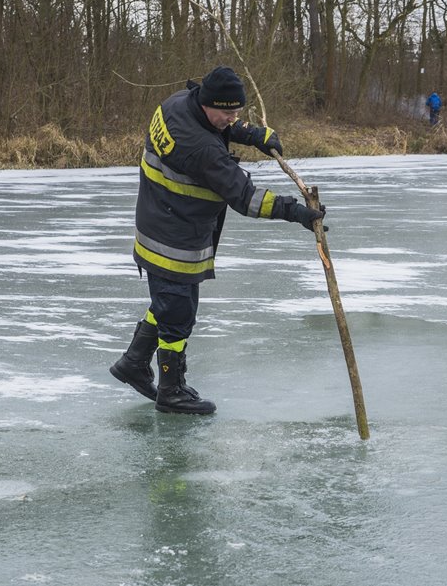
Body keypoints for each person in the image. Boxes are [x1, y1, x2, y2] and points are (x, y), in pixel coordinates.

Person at [109, 66, 325, 415]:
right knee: (178, 314)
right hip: (172, 237)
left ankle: (133, 363)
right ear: (208, 103)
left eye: (237, 113)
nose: (231, 119)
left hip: (162, 217)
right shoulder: (201, 150)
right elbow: (245, 197)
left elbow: (214, 122)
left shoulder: (177, 103)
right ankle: (171, 391)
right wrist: (296, 212)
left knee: (169, 305)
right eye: (227, 113)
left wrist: (252, 134)